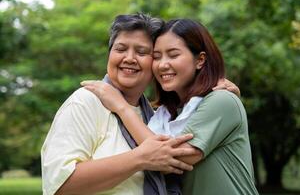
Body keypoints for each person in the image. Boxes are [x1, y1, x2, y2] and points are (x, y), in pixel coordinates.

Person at [82, 18, 259, 194]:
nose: (162, 65)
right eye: (156, 57)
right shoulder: (165, 115)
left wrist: (121, 107)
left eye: (173, 55)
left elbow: (169, 158)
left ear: (200, 60)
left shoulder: (221, 100)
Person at [41, 14, 201, 195]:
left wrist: (213, 89)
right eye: (120, 49)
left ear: (156, 61)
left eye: (141, 52)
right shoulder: (85, 103)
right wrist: (140, 158)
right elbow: (60, 185)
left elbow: (178, 159)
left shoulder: (154, 115)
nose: (130, 58)